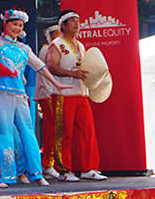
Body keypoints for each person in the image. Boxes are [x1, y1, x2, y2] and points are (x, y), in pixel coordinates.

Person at [0, 9, 70, 188]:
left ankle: (36, 173)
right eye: (14, 24)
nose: (17, 28)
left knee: (28, 132)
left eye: (20, 25)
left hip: (19, 94)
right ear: (5, 25)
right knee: (4, 132)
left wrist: (56, 83)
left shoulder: (24, 48)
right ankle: (3, 176)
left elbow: (40, 66)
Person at [46, 10, 107, 182]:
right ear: (63, 25)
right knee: (64, 133)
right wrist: (72, 74)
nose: (76, 24)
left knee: (87, 132)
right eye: (72, 21)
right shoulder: (57, 44)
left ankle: (88, 168)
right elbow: (51, 66)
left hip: (81, 93)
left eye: (78, 21)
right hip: (63, 94)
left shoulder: (80, 45)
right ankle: (65, 170)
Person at [34, 24, 61, 180]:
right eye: (56, 34)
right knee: (51, 128)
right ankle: (48, 163)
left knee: (54, 128)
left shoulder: (53, 49)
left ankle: (51, 163)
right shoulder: (47, 50)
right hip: (48, 94)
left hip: (51, 93)